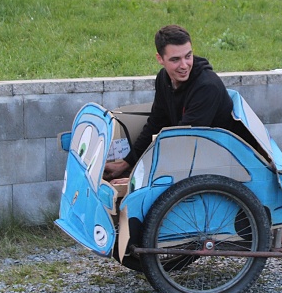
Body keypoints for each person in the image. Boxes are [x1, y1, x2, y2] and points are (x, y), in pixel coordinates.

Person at [104, 24, 254, 182]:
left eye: (188, 56)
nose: (184, 65)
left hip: (228, 161)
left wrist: (140, 180)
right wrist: (126, 163)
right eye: (175, 59)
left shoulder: (207, 87)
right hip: (195, 152)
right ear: (160, 59)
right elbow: (155, 124)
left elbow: (184, 143)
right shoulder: (163, 79)